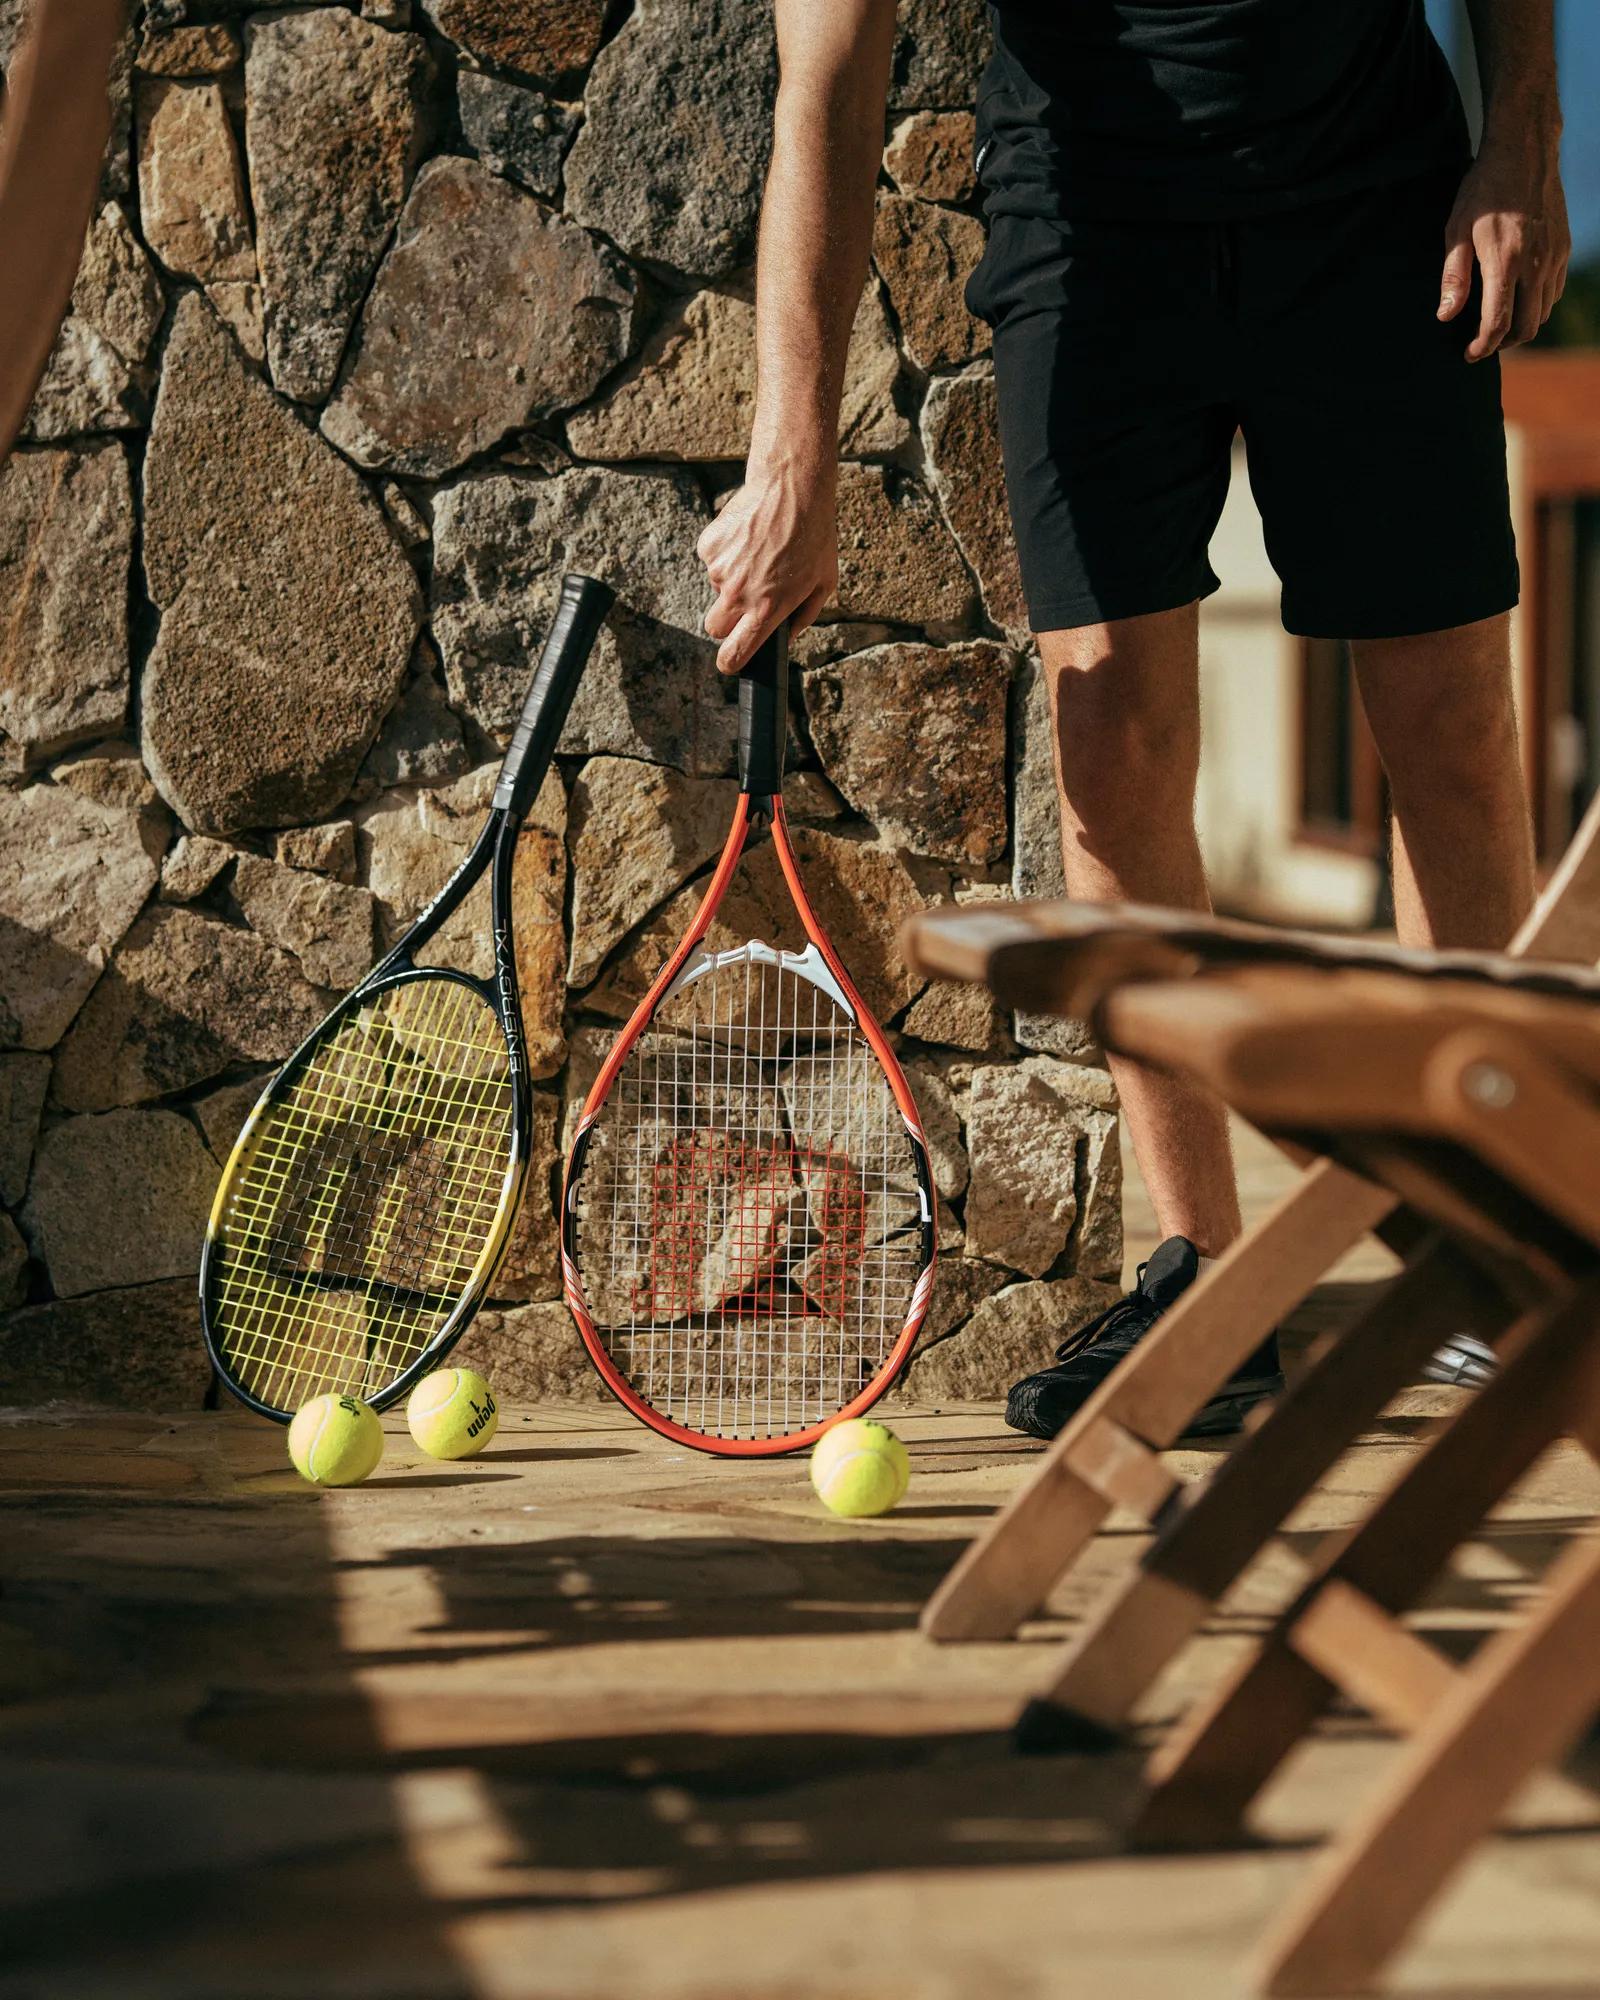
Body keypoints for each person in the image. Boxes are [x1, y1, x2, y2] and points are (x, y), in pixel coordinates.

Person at [697, 0, 1569, 1438]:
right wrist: (793, 452)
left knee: (1453, 728)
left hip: (1374, 188)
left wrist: (1525, 131)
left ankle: (1491, 1250)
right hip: (1089, 214)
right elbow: (829, 73)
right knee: (1110, 747)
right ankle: (1209, 1285)